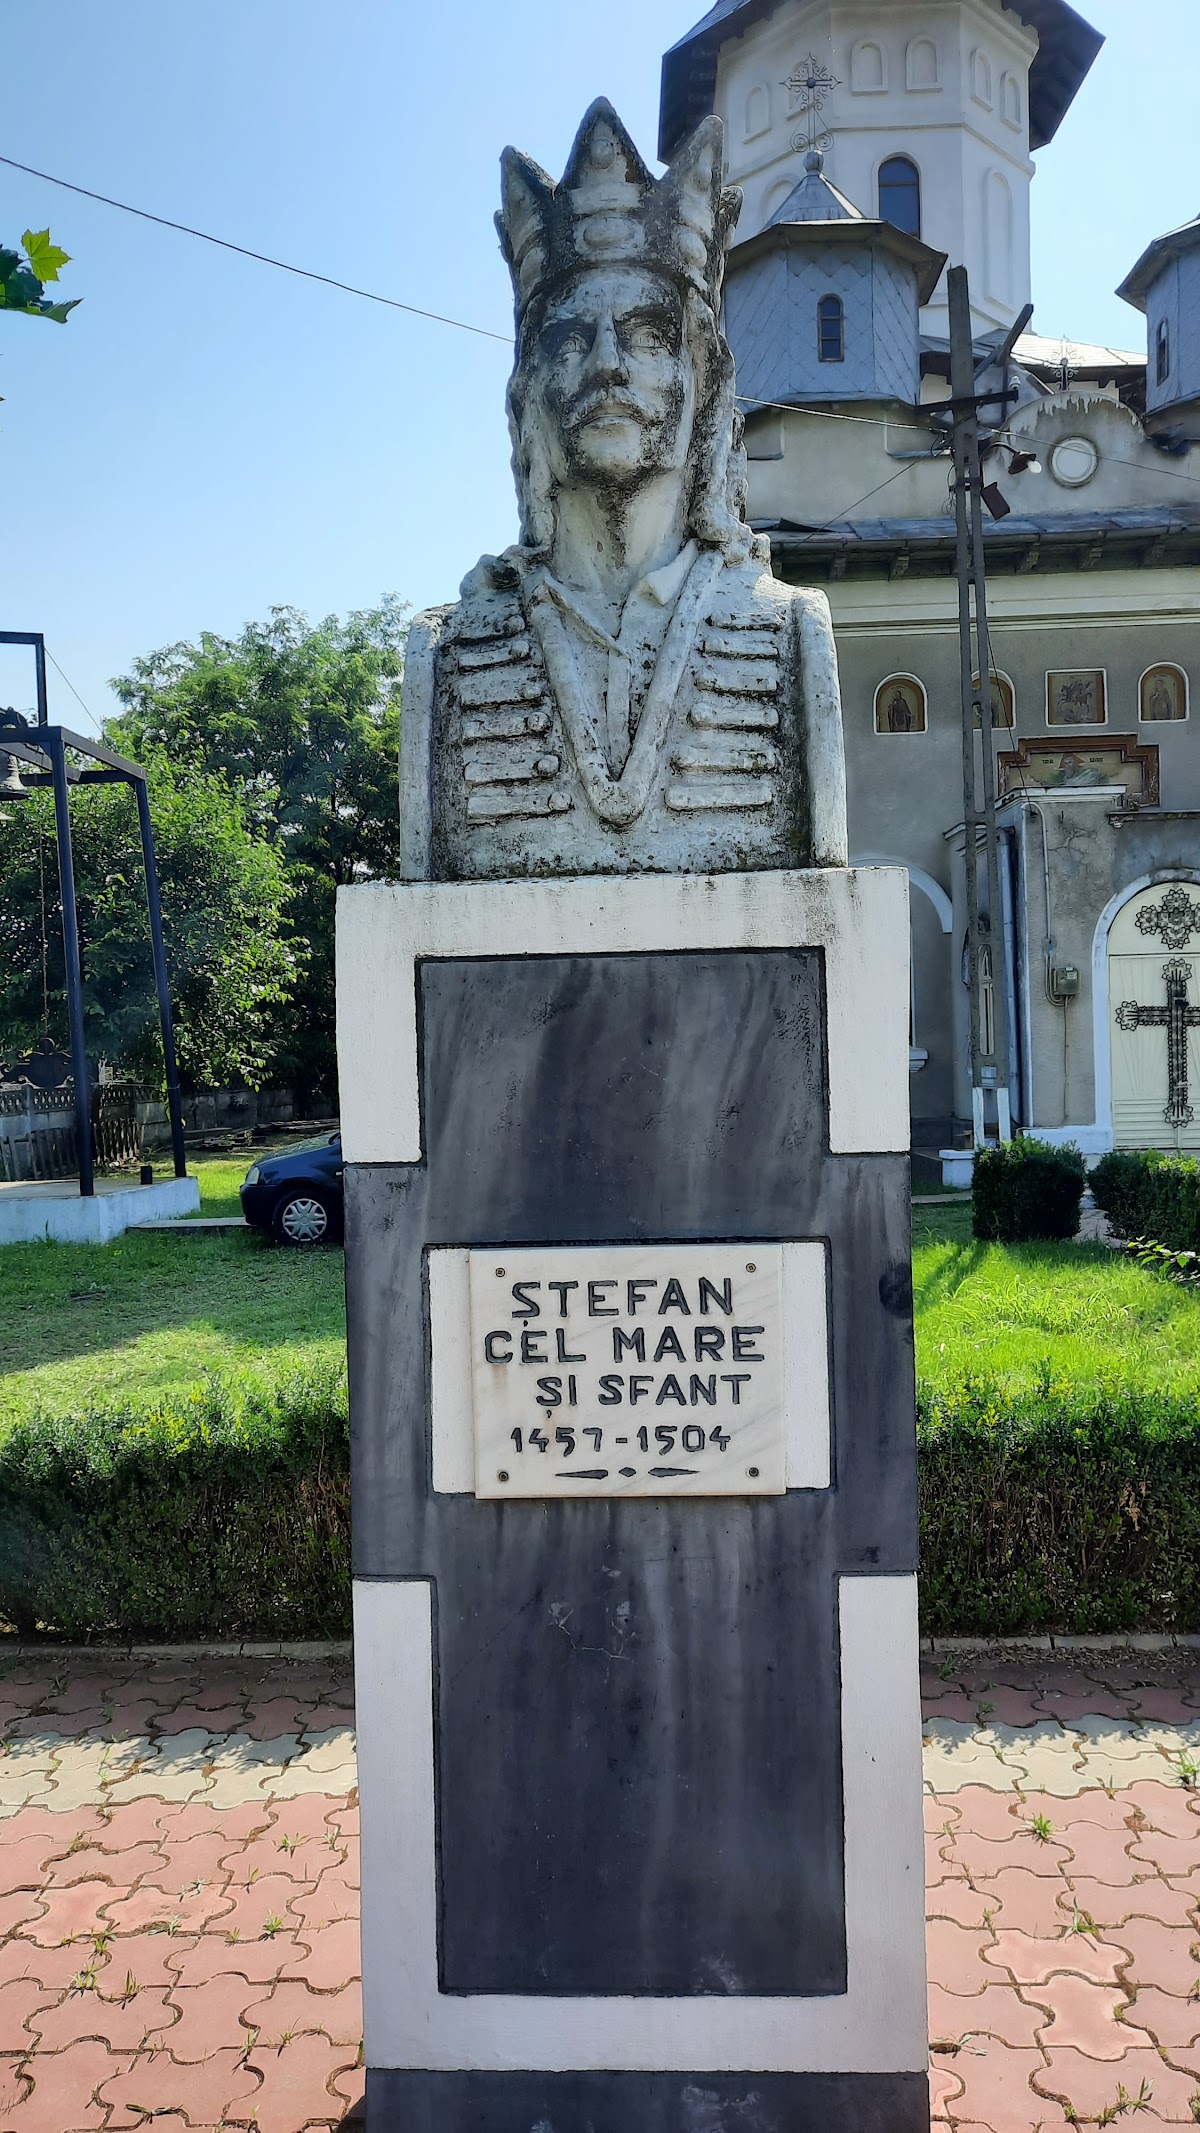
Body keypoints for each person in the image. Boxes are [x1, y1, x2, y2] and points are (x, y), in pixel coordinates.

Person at [399, 100, 848, 880]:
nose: (608, 364)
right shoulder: (446, 658)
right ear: (527, 393)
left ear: (700, 382)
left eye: (645, 336)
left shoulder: (791, 639)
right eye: (571, 338)